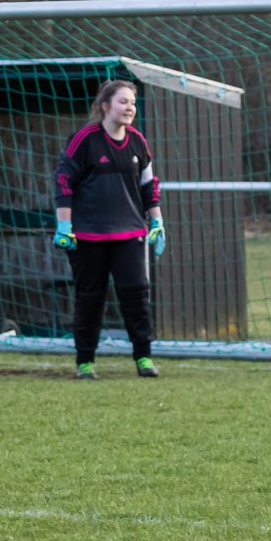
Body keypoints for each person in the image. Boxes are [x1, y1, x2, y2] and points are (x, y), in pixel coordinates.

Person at [53, 79, 166, 379]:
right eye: (123, 102)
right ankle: (85, 362)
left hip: (130, 235)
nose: (129, 107)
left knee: (136, 297)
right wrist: (64, 225)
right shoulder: (85, 139)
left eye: (132, 102)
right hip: (88, 237)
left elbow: (149, 186)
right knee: (89, 299)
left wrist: (156, 221)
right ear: (106, 106)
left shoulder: (138, 142)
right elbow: (63, 181)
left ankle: (143, 357)